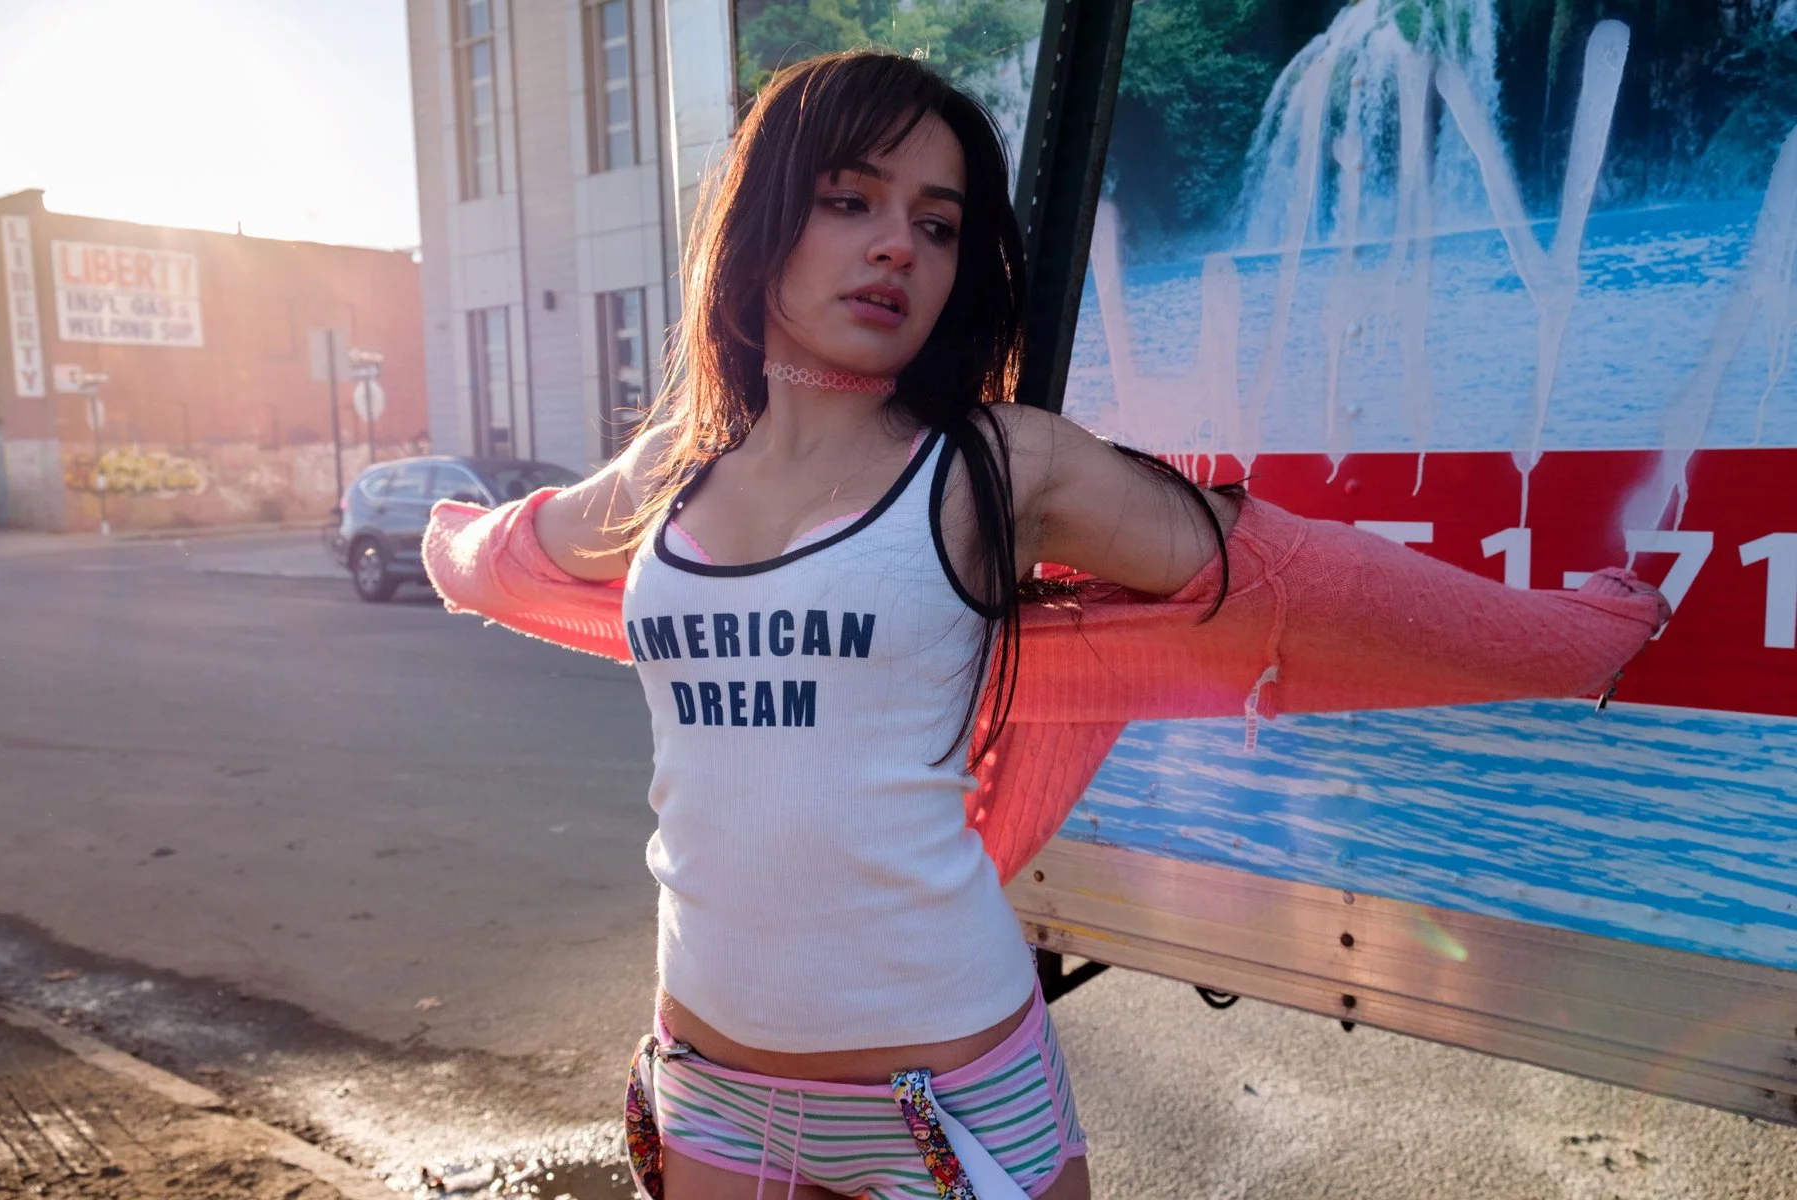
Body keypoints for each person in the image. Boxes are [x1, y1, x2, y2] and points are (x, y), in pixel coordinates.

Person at [423, 51, 1668, 1200]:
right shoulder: (669, 477)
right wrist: (443, 543)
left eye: (936, 224)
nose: (896, 248)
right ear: (762, 219)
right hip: (714, 1088)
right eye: (851, 200)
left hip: (946, 1098)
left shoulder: (994, 470)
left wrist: (1565, 635)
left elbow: (1294, 578)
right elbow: (517, 554)